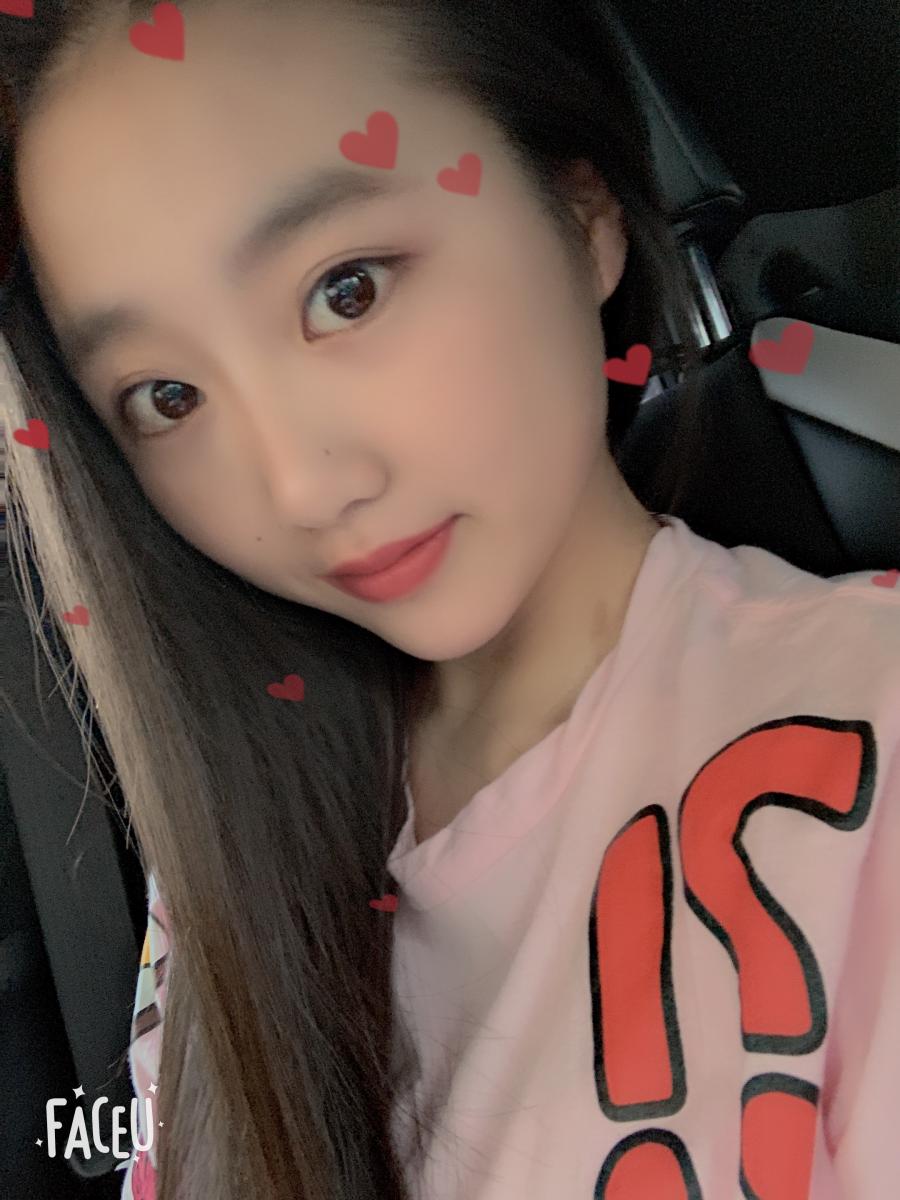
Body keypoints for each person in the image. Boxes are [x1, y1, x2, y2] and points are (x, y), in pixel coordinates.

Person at [0, 2, 897, 1198]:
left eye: (348, 290)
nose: (300, 486)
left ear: (581, 213)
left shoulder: (870, 742)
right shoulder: (239, 856)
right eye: (167, 397)